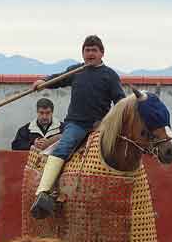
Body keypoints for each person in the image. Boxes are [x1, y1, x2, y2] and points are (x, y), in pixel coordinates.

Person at [30, 34, 125, 218]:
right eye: (87, 50)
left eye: (94, 50)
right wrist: (44, 81)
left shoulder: (110, 75)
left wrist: (109, 122)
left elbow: (120, 102)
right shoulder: (75, 71)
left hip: (100, 126)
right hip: (76, 124)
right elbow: (58, 79)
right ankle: (43, 193)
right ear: (82, 53)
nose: (90, 54)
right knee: (63, 148)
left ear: (101, 53)